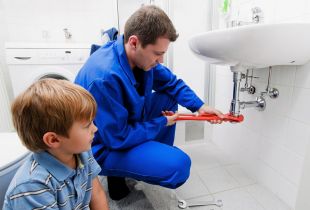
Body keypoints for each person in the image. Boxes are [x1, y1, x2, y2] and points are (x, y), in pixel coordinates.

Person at [75, 5, 223, 200]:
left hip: (119, 126)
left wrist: (200, 107)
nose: (161, 60)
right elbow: (117, 138)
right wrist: (161, 123)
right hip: (102, 144)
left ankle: (144, 159)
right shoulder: (104, 77)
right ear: (134, 42)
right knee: (178, 166)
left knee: (168, 97)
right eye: (157, 53)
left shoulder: (140, 58)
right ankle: (119, 171)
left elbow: (172, 83)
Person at [3, 79, 109, 210]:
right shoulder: (33, 187)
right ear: (53, 140)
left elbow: (97, 194)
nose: (95, 128)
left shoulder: (82, 152)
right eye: (87, 125)